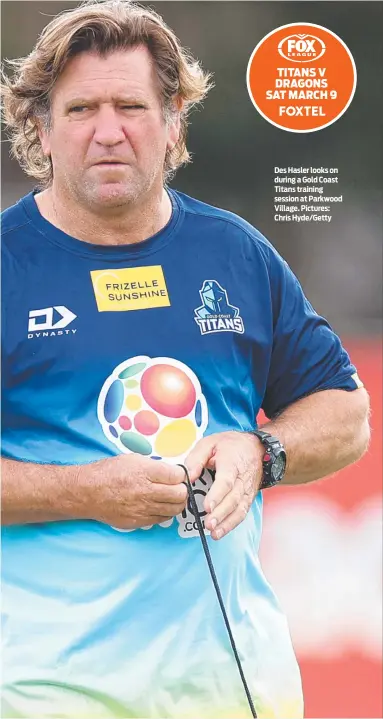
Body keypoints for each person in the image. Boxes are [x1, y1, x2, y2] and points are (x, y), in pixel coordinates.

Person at [1, 1, 370, 718]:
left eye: (130, 106)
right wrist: (84, 491)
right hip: (44, 688)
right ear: (40, 129)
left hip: (232, 687)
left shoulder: (234, 253)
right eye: (80, 109)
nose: (108, 132)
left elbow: (347, 415)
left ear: (173, 121)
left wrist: (261, 451)